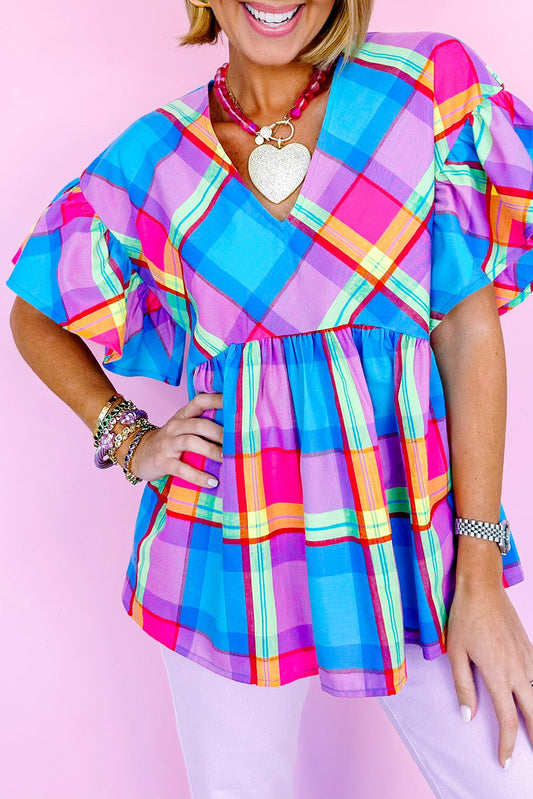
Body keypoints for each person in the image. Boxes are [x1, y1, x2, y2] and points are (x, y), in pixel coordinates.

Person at [6, 0, 533, 795]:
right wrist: (128, 434)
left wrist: (479, 576)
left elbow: (467, 330)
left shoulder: (423, 90)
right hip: (226, 555)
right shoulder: (153, 158)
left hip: (413, 542)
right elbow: (35, 309)